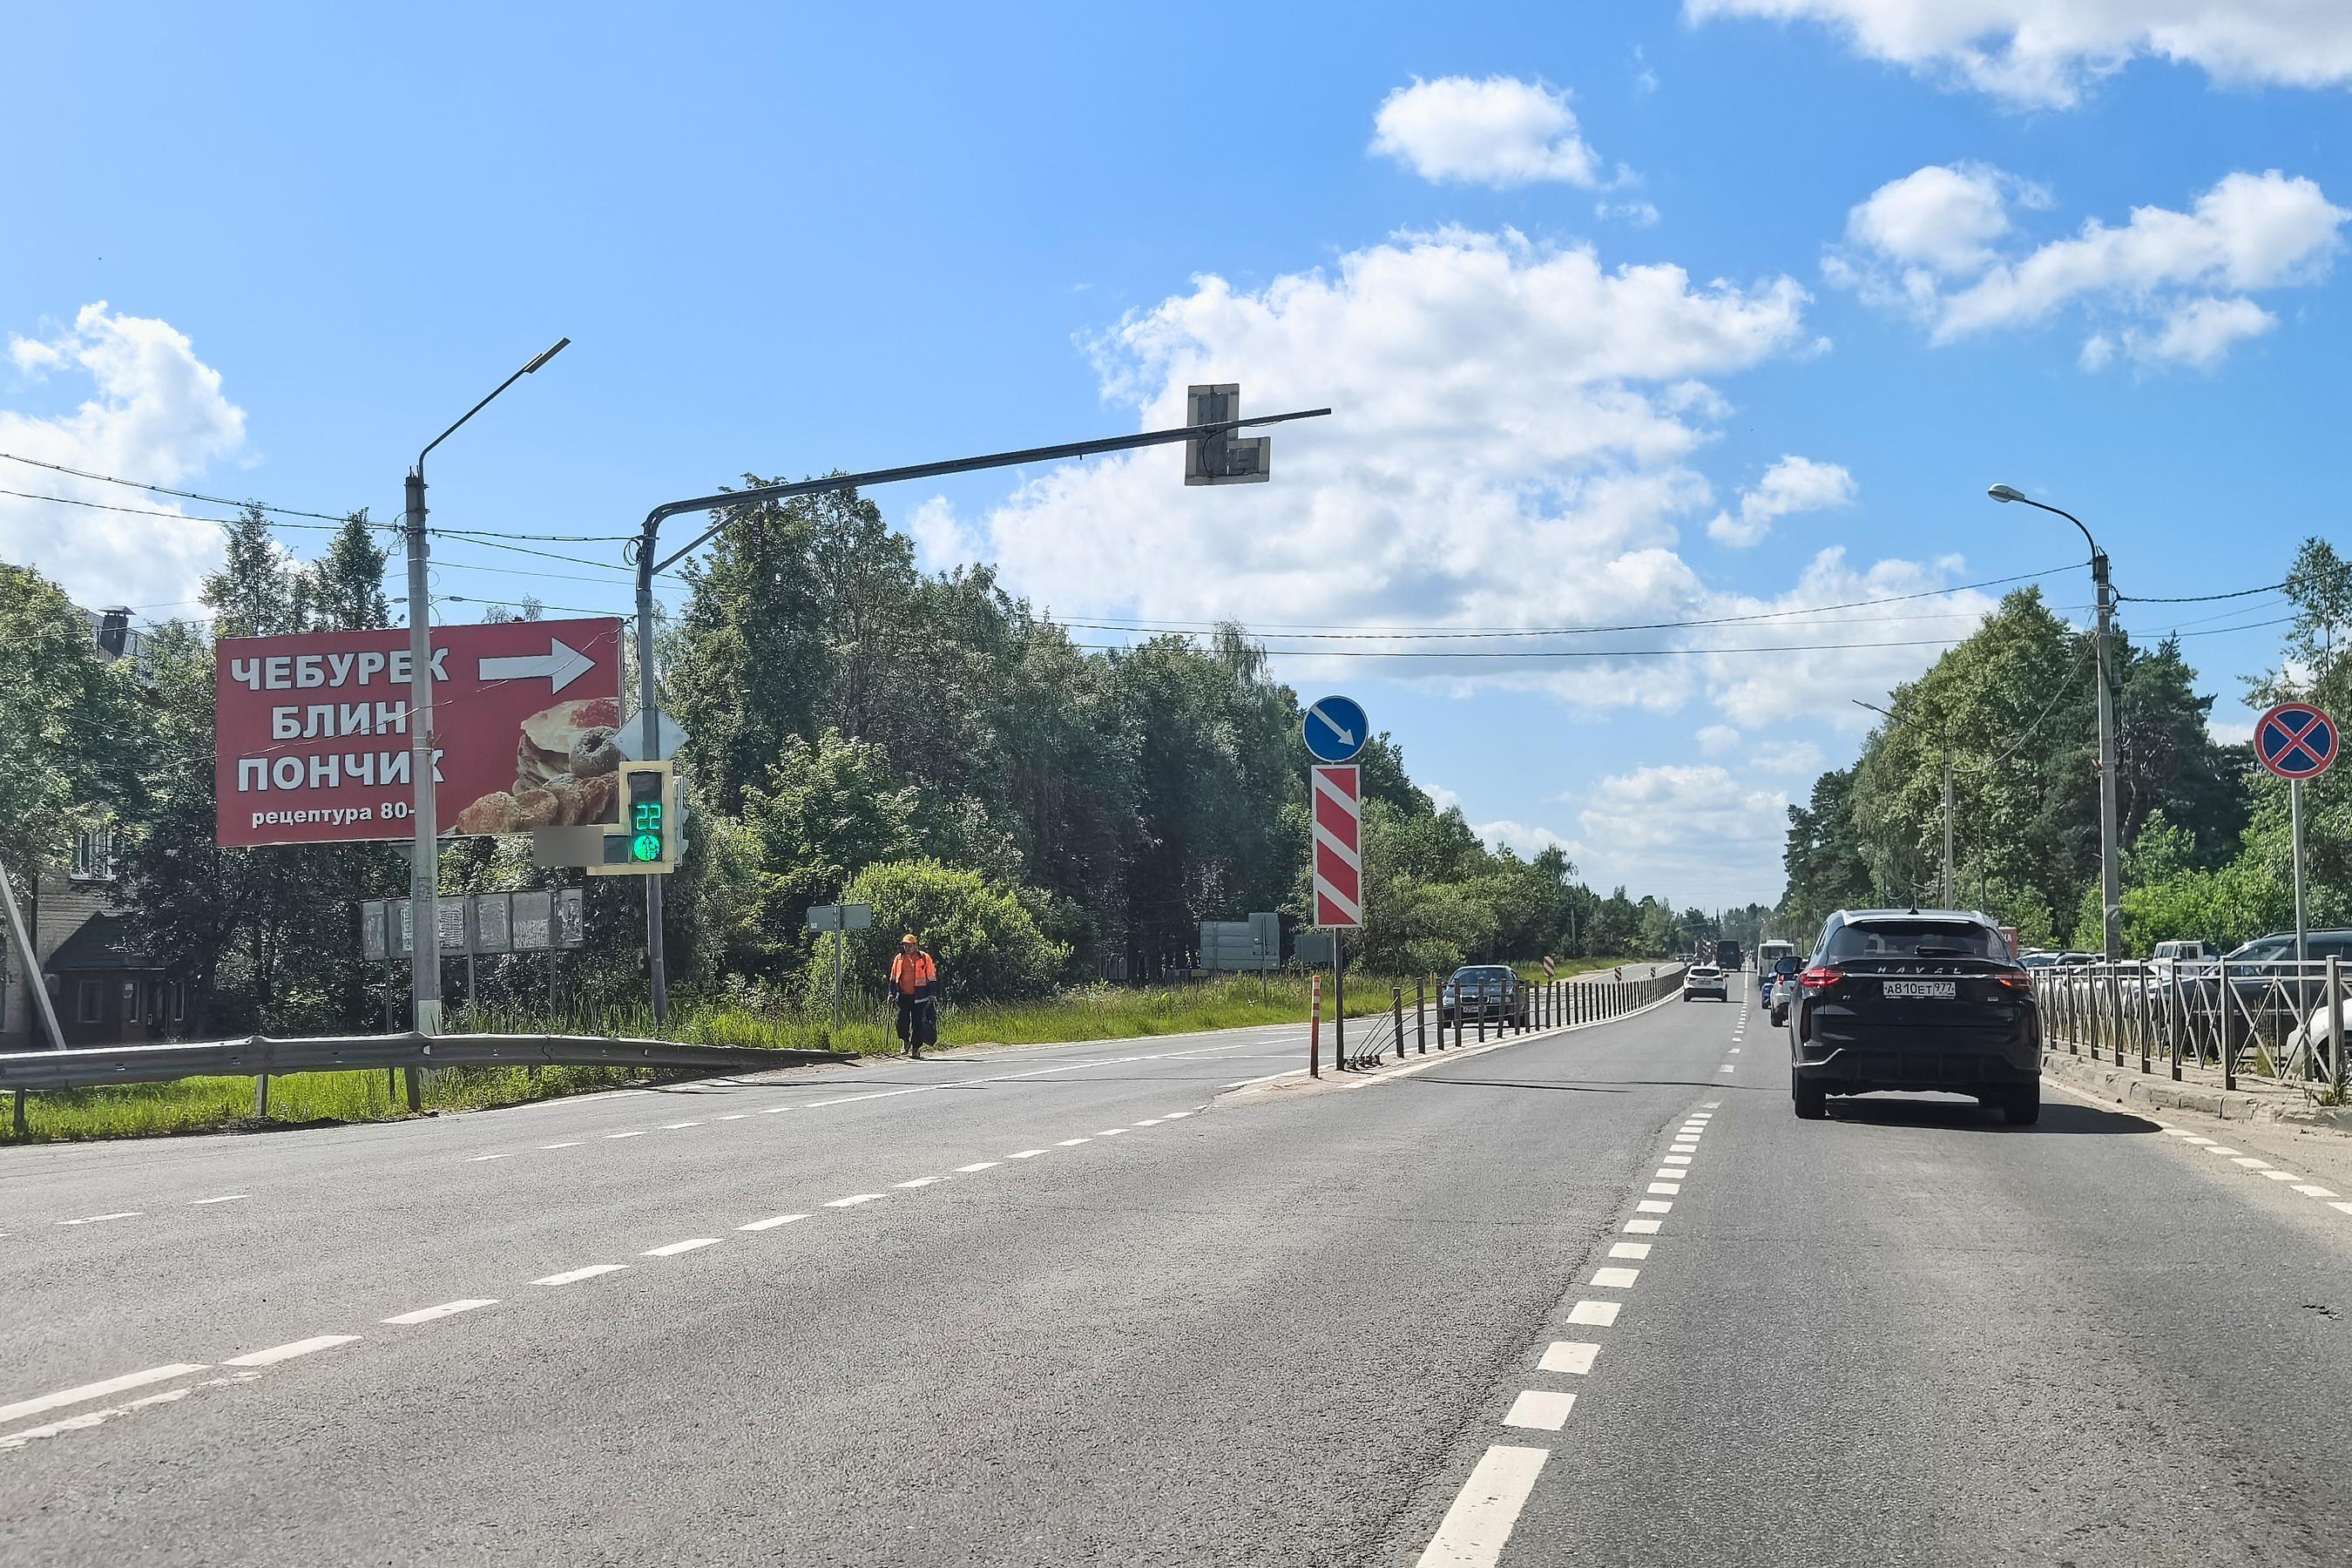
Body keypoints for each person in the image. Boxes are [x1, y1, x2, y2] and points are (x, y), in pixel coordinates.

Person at [889, 933, 939, 1058]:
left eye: (909, 945)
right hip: (903, 995)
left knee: (918, 1024)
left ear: (915, 945)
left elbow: (931, 977)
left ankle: (916, 1049)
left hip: (920, 996)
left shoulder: (924, 958)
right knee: (901, 1021)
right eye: (905, 945)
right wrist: (891, 993)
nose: (907, 948)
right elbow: (893, 977)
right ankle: (905, 1041)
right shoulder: (899, 958)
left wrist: (932, 994)